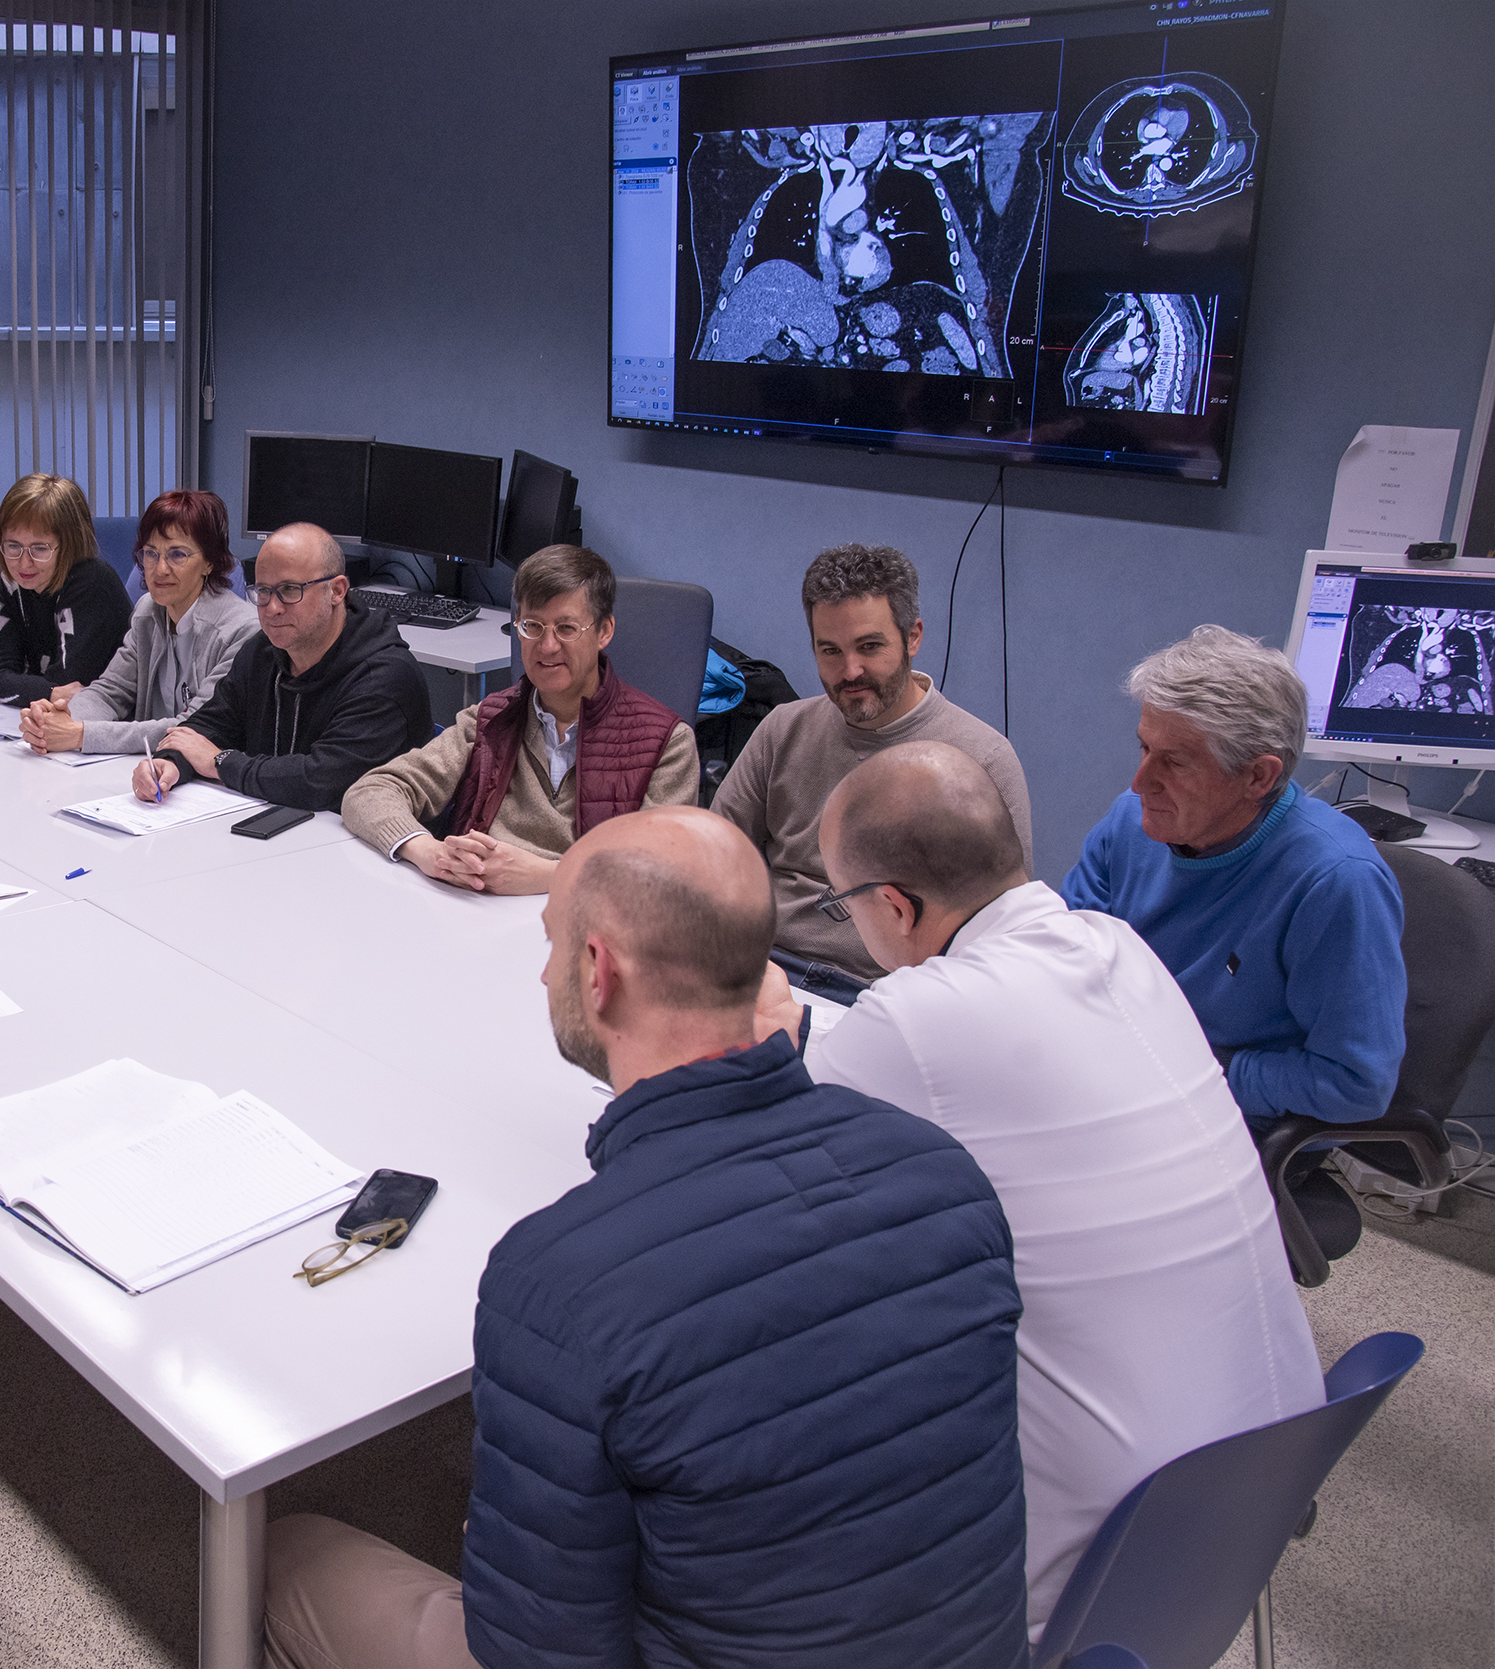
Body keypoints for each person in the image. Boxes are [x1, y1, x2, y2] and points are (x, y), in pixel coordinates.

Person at [264, 807, 1028, 1669]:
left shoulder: (560, 1280)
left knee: (290, 1553)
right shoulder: (944, 1171)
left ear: (598, 972)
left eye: (552, 943)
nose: (542, 970)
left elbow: (539, 1651)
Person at [795, 741, 1325, 1641]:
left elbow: (760, 1191)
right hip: (1258, 1487)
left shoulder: (911, 1019)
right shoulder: (1121, 948)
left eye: (843, 904)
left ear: (894, 905)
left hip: (1083, 1583)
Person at [1062, 626, 1405, 1149]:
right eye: (1144, 748)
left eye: (1175, 762)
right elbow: (1064, 969)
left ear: (1258, 777)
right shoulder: (1128, 824)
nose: (1140, 782)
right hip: (1118, 1083)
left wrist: (1204, 1071)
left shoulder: (1335, 882)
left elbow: (1356, 1084)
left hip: (1230, 1122)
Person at [712, 541, 1032, 999]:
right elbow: (714, 853)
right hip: (768, 967)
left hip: (886, 991)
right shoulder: (784, 729)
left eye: (869, 646)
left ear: (913, 637)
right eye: (830, 651)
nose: (850, 671)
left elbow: (1002, 928)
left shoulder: (982, 758)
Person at [341, 545, 699, 893]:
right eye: (532, 626)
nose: (547, 646)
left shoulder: (666, 743)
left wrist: (548, 876)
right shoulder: (490, 720)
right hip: (476, 910)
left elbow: (664, 874)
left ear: (604, 631)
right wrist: (429, 852)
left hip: (585, 921)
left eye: (566, 628)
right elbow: (369, 792)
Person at [133, 523, 432, 813]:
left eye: (290, 590)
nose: (272, 608)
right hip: (276, 828)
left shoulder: (385, 677)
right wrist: (170, 762)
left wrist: (219, 762)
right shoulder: (262, 651)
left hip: (362, 842)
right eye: (263, 591)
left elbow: (321, 780)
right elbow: (211, 726)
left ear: (337, 590)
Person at [19, 488, 257, 756]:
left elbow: (195, 727)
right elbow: (110, 691)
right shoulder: (148, 612)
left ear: (210, 562)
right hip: (145, 767)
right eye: (151, 553)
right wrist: (56, 719)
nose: (160, 569)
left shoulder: (242, 632)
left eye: (177, 554)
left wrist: (80, 734)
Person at [0, 472, 131, 706]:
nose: (24, 563)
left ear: (69, 545)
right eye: (13, 546)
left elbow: (71, 687)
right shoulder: (12, 580)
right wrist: (48, 691)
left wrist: (38, 689)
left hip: (106, 718)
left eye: (40, 549)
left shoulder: (92, 582)